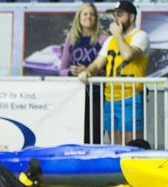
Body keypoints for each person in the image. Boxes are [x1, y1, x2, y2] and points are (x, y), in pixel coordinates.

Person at [78, 1, 150, 144]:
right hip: (110, 97)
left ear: (132, 17)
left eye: (120, 15)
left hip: (131, 96)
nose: (116, 19)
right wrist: (87, 71)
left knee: (133, 145)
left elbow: (128, 55)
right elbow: (97, 63)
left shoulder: (140, 36)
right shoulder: (110, 40)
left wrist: (117, 35)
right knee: (115, 145)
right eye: (115, 15)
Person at [60, 3, 107, 142]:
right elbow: (61, 70)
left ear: (96, 18)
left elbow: (107, 70)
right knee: (77, 134)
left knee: (95, 134)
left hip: (97, 94)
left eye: (92, 14)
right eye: (85, 14)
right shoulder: (71, 39)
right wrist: (74, 72)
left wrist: (88, 72)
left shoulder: (103, 39)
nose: (88, 17)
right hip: (75, 95)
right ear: (79, 17)